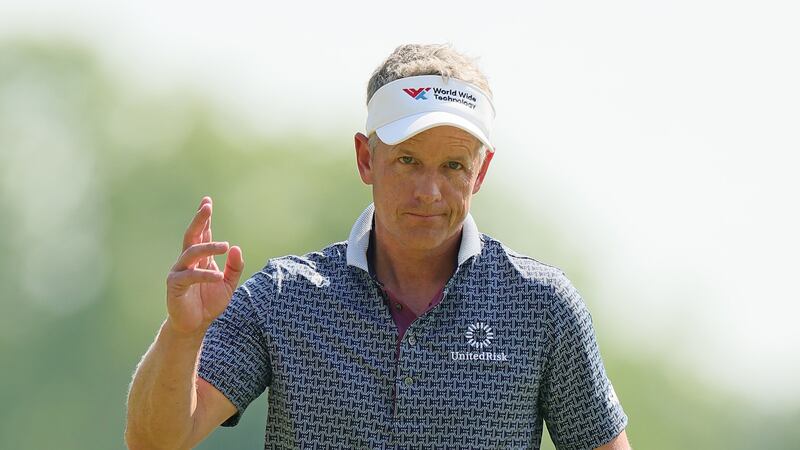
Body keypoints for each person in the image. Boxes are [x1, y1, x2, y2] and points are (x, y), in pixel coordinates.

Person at [125, 43, 630, 450]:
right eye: (408, 160)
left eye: (453, 166)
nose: (428, 192)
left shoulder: (541, 307)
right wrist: (183, 334)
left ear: (481, 171)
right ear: (366, 159)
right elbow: (156, 442)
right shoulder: (283, 299)